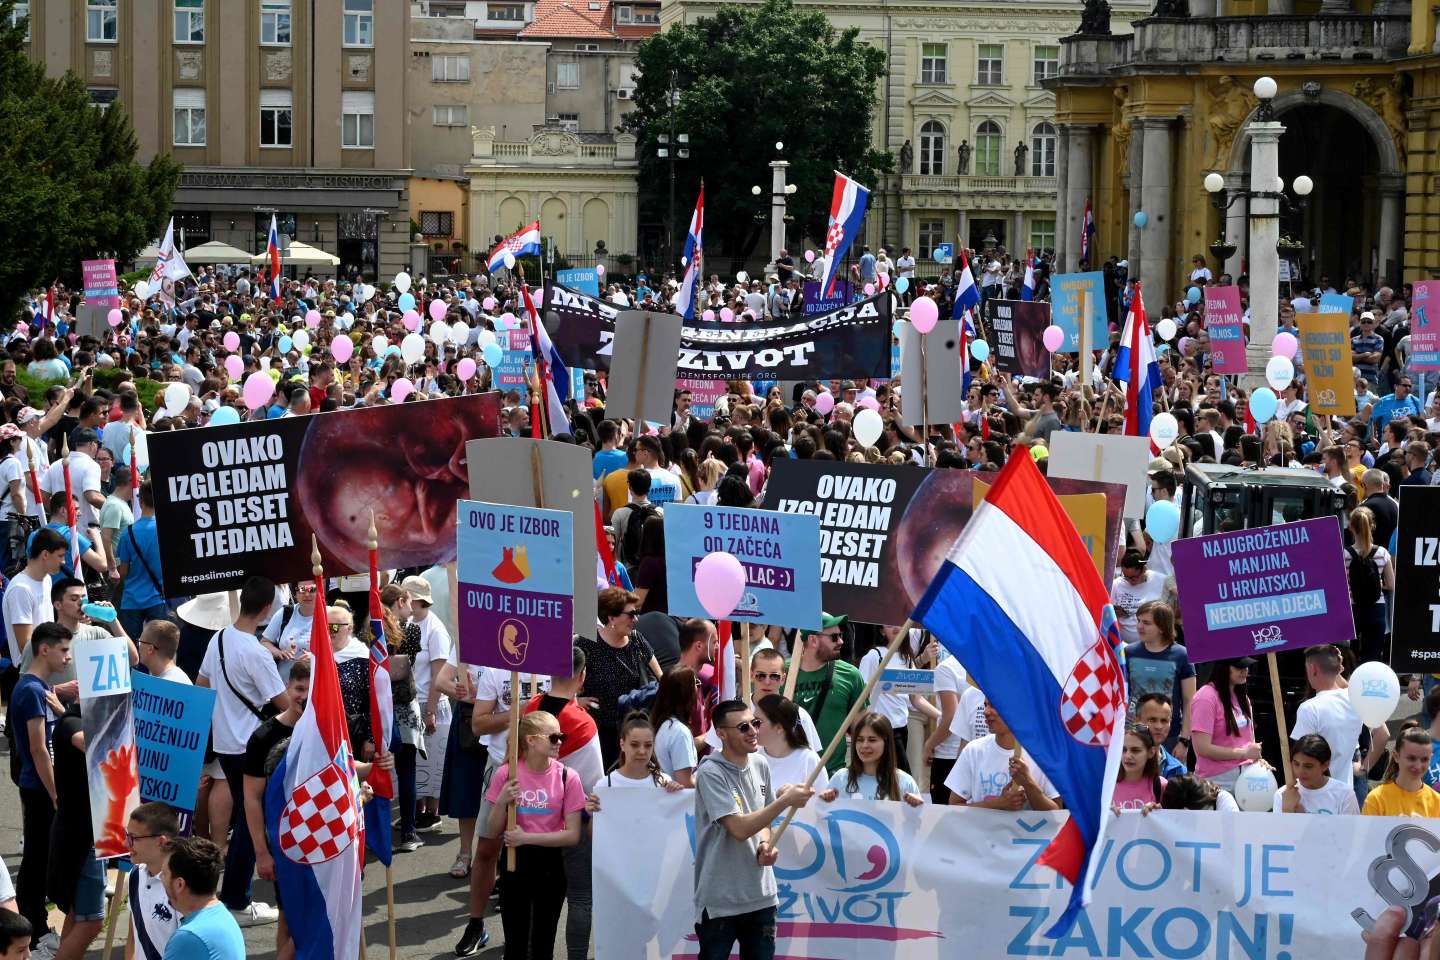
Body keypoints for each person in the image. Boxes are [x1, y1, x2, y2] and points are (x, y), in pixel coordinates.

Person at [195, 576, 288, 926]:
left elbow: (201, 686)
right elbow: (284, 703)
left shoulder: (217, 639)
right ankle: (236, 898)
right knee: (252, 823)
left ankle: (233, 895)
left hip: (225, 742)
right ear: (266, 609)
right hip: (252, 747)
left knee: (246, 819)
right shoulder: (256, 653)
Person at [692, 700, 814, 960]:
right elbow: (737, 828)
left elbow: (764, 825)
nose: (753, 731)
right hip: (720, 901)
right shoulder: (710, 772)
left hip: (762, 897)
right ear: (721, 734)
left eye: (755, 723)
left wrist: (764, 845)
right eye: (744, 727)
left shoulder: (760, 764)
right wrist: (785, 801)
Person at [455, 666, 548, 958]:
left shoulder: (551, 662)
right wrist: (520, 711)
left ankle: (525, 931)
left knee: (535, 854)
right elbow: (478, 724)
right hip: (501, 769)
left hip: (543, 772)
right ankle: (475, 924)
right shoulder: (496, 670)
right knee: (486, 850)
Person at [484, 711, 585, 960]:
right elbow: (492, 830)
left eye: (561, 736)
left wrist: (526, 837)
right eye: (553, 737)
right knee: (515, 944)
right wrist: (502, 802)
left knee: (543, 943)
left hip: (550, 865)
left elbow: (572, 835)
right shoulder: (507, 774)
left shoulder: (567, 777)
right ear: (530, 740)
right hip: (514, 863)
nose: (560, 741)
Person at [523, 645, 603, 960]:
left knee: (536, 897)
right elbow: (593, 784)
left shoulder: (531, 709)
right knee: (581, 897)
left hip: (533, 816)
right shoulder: (582, 723)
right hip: (573, 821)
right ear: (582, 678)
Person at [240, 659, 311, 960]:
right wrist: (261, 852)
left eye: (311, 690)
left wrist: (375, 769)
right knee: (289, 914)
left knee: (326, 909)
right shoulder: (263, 737)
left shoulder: (331, 728)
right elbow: (252, 798)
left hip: (322, 840)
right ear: (287, 687)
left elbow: (347, 770)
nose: (303, 697)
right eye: (298, 689)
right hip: (283, 844)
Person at [7, 623, 69, 948]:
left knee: (39, 858)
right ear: (44, 649)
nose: (67, 656)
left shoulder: (37, 686)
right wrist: (56, 792)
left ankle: (33, 929)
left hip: (40, 786)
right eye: (63, 649)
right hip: (40, 788)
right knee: (36, 860)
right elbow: (37, 747)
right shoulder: (30, 690)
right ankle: (34, 935)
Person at [576, 588, 662, 769]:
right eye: (631, 614)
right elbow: (563, 682)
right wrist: (576, 700)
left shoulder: (637, 640)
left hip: (633, 731)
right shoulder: (585, 643)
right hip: (598, 732)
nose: (636, 619)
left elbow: (661, 678)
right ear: (611, 617)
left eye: (637, 613)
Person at [47, 696, 104, 960]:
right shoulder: (72, 724)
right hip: (83, 838)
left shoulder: (72, 719)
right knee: (91, 921)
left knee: (78, 914)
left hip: (84, 834)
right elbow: (91, 743)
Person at [402, 575, 457, 833]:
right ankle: (417, 809)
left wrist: (431, 710)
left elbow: (439, 674)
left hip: (431, 703)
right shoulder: (409, 623)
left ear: (417, 601)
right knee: (416, 761)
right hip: (413, 702)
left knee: (433, 761)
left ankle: (432, 812)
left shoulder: (435, 629)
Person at [1291, 644, 1386, 791]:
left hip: (1316, 793)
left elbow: (1301, 759)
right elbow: (1383, 735)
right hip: (1345, 791)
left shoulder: (1309, 708)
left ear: (1313, 669)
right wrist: (1363, 769)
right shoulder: (1356, 699)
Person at [945, 698, 1059, 810]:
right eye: (986, 705)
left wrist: (1028, 783)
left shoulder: (1044, 754)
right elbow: (954, 807)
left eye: (994, 705)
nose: (986, 711)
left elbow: (1057, 814)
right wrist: (997, 804)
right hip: (982, 829)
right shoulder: (973, 751)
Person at [857, 626, 939, 771]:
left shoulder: (907, 659)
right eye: (889, 624)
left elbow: (916, 700)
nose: (896, 627)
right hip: (879, 730)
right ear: (881, 631)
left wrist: (942, 717)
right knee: (900, 777)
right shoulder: (874, 656)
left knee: (894, 778)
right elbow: (861, 696)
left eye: (900, 623)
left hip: (901, 729)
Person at [790, 614, 864, 773]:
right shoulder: (782, 673)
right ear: (813, 640)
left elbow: (861, 728)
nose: (841, 642)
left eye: (841, 636)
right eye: (834, 637)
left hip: (833, 776)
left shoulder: (851, 675)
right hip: (792, 774)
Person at [1123, 600, 1194, 759]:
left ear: (1162, 627)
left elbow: (1189, 700)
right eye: (1138, 621)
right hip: (1134, 734)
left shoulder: (1182, 655)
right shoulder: (1129, 652)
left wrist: (1184, 740)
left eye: (1146, 623)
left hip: (1170, 736)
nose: (1140, 626)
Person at [159, 838, 246, 960]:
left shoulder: (189, 937)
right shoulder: (222, 915)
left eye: (164, 874)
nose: (160, 878)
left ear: (179, 884)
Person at [1189, 656, 1264, 792]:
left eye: (1246, 666)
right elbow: (1202, 748)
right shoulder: (1205, 697)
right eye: (1238, 667)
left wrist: (1256, 760)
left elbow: (1249, 741)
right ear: (1223, 668)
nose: (1244, 671)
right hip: (1216, 781)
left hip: (1247, 779)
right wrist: (1244, 753)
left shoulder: (1242, 697)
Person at [819, 713, 923, 805]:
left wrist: (917, 808)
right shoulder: (840, 778)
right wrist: (823, 802)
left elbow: (917, 823)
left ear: (886, 743)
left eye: (872, 740)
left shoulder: (905, 782)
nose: (864, 745)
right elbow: (821, 819)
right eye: (859, 740)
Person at [124, 802, 183, 960]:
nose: (126, 844)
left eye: (133, 838)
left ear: (161, 841)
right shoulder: (135, 875)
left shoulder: (182, 887)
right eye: (127, 836)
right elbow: (134, 933)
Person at [3, 528, 65, 673]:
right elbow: (26, 645)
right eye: (60, 556)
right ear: (45, 554)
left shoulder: (47, 579)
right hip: (28, 672)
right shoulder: (20, 589)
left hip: (47, 665)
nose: (63, 562)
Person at [114, 482, 168, 641]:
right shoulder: (167, 529)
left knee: (131, 648)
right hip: (159, 597)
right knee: (160, 646)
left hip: (131, 599)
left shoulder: (128, 533)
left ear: (140, 501)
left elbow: (123, 571)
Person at [587, 712, 684, 798]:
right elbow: (599, 817)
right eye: (634, 745)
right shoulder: (604, 785)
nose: (642, 751)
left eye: (648, 745)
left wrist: (676, 795)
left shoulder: (663, 782)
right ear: (622, 745)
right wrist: (592, 814)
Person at [1344, 506, 1393, 663]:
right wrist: (1378, 584)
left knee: (1349, 656)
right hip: (1376, 608)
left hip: (1352, 608)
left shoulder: (1343, 555)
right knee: (1372, 657)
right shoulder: (1382, 553)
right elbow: (1391, 585)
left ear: (1351, 527)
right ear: (1372, 526)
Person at [1363, 724, 1440, 817]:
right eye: (1411, 758)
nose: (1418, 766)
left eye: (1424, 759)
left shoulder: (1437, 802)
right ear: (1396, 756)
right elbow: (1369, 831)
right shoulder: (1376, 799)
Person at [1273, 734, 1360, 814]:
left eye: (1308, 766)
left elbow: (1350, 830)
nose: (1300, 771)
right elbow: (1279, 830)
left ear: (1325, 765)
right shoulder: (1282, 795)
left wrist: (1301, 817)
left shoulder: (1344, 795)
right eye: (1296, 764)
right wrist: (1287, 810)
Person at [750, 695, 821, 789]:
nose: (751, 727)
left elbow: (822, 800)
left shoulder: (808, 759)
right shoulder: (751, 757)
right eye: (752, 721)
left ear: (779, 727)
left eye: (757, 722)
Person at [259, 581, 316, 682]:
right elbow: (264, 642)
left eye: (311, 589)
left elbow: (339, 649)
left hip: (316, 684)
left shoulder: (329, 615)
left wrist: (315, 657)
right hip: (285, 684)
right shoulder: (285, 613)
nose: (307, 594)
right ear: (295, 593)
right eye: (302, 590)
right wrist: (278, 652)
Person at [652, 666, 699, 787]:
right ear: (687, 693)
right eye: (696, 684)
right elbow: (685, 783)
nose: (697, 689)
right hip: (676, 803)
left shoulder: (660, 724)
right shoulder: (680, 732)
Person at [1109, 550, 1166, 646]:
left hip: (1154, 644)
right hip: (1126, 645)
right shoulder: (1117, 584)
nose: (1130, 581)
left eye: (1133, 577)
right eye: (1126, 577)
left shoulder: (1161, 580)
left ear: (1143, 569)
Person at [1111, 723, 1165, 813]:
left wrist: (1160, 812)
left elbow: (1174, 822)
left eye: (1135, 750)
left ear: (1151, 752)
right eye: (1123, 750)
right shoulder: (1107, 785)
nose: (1127, 756)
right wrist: (1104, 814)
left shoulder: (1161, 785)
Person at [1136, 693, 1188, 779]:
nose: (1159, 726)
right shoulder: (1118, 762)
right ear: (1137, 720)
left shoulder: (1179, 770)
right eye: (1152, 720)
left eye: (1164, 721)